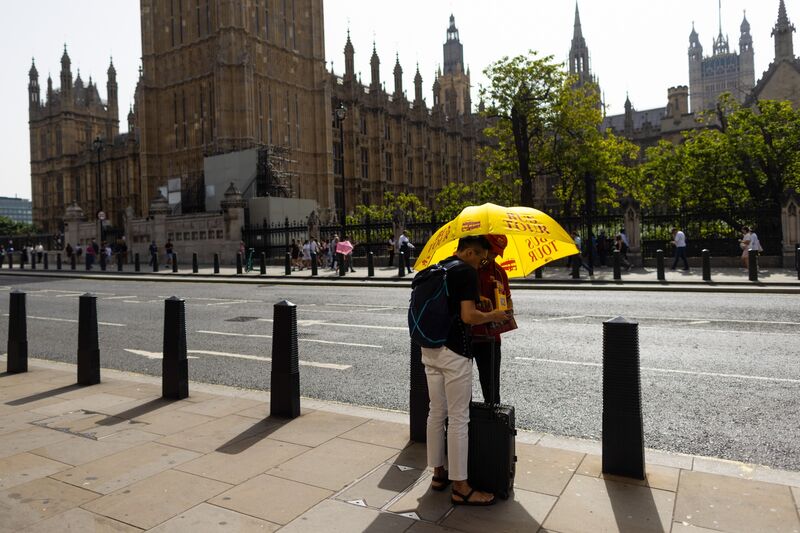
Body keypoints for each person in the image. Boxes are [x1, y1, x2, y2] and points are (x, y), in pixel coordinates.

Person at [420, 235, 511, 506]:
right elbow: (468, 316)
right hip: (454, 352)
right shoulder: (466, 272)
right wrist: (492, 316)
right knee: (460, 417)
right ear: (470, 252)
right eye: (482, 256)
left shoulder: (437, 268)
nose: (483, 261)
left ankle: (438, 474)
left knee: (436, 412)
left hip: (429, 349)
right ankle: (461, 486)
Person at [472, 235, 516, 405]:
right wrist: (477, 298)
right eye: (491, 252)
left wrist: (509, 309)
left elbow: (508, 297)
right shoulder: (467, 268)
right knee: (460, 390)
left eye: (497, 254)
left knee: (492, 390)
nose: (493, 257)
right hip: (466, 335)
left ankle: (492, 425)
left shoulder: (499, 271)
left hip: (490, 337)